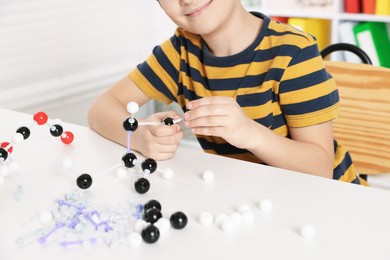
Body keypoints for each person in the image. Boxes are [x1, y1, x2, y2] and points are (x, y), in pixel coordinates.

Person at [88, 0, 367, 185]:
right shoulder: (180, 51)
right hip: (252, 197)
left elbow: (319, 169)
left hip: (332, 198)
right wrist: (139, 136)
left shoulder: (293, 52)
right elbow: (102, 108)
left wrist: (250, 133)